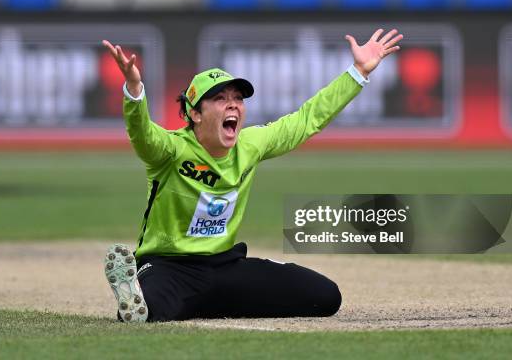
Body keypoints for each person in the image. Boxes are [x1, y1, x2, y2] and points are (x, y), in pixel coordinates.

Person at [102, 28, 403, 322]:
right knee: (149, 310)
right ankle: (142, 293)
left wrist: (358, 72)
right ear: (195, 113)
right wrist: (134, 91)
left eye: (238, 98)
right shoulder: (169, 150)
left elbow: (307, 119)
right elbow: (141, 133)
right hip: (170, 266)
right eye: (220, 98)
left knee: (325, 297)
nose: (233, 104)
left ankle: (199, 302)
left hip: (225, 265)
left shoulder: (250, 145)